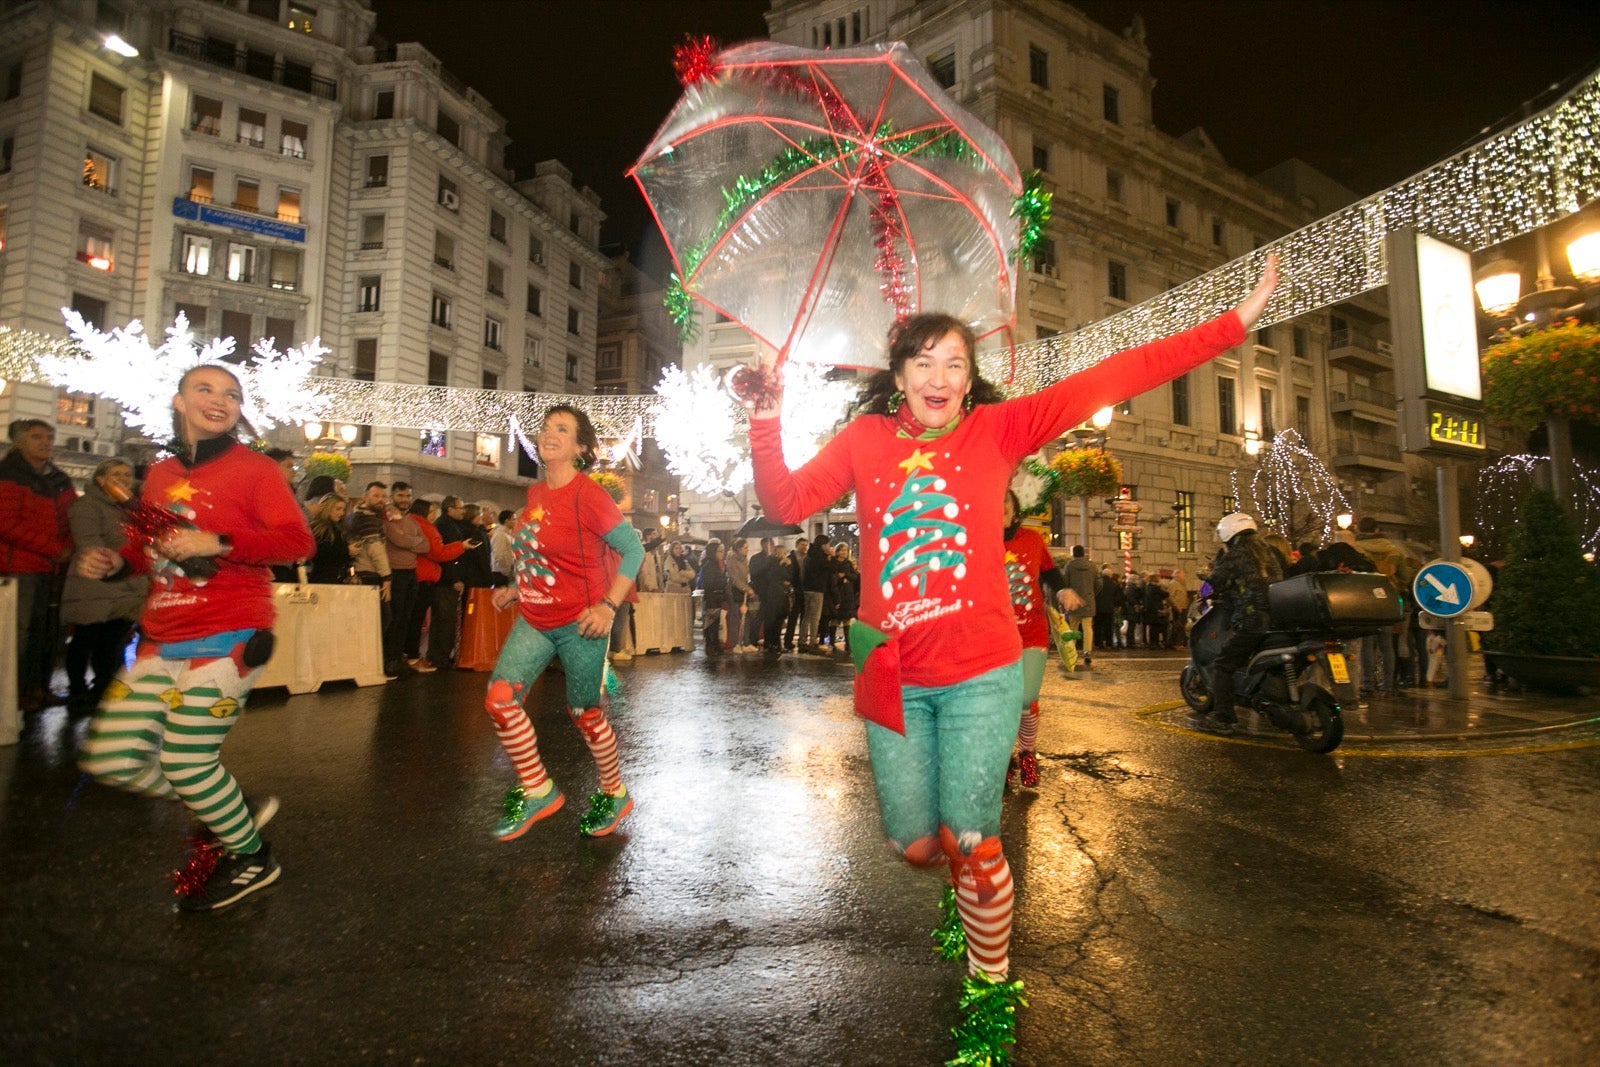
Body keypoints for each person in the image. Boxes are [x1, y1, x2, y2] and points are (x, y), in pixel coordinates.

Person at [745, 257, 1277, 1043]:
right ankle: (964, 887)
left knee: (971, 832)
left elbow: (1116, 372)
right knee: (913, 841)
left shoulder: (1000, 430)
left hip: (983, 670)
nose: (938, 375)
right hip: (891, 670)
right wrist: (767, 415)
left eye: (954, 364)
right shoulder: (863, 440)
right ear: (899, 374)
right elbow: (784, 501)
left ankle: (989, 993)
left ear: (969, 383)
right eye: (923, 360)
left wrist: (1233, 324)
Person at [76, 364, 313, 911]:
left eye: (231, 394)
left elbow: (296, 540)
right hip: (162, 634)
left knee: (185, 760)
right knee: (110, 758)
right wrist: (117, 562)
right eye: (204, 389)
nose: (219, 400)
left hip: (230, 632)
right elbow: (154, 547)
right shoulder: (159, 473)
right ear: (179, 401)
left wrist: (219, 540)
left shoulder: (255, 469)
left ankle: (253, 857)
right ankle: (228, 807)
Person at [485, 405, 643, 840]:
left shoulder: (589, 495)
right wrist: (518, 588)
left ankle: (614, 792)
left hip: (582, 622)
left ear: (580, 447)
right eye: (546, 427)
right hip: (535, 618)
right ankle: (538, 789)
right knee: (500, 699)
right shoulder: (536, 496)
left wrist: (608, 607)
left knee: (585, 714)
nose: (548, 434)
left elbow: (633, 551)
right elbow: (540, 555)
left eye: (562, 429)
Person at [0, 418, 77, 711]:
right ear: (20, 442)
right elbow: (6, 523)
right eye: (37, 437)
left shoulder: (58, 478)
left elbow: (71, 516)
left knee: (47, 631)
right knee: (19, 633)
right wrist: (55, 549)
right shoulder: (8, 475)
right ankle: (13, 695)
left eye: (49, 437)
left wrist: (68, 548)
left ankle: (38, 688)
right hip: (19, 567)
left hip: (52, 567)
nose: (45, 442)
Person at [61, 458, 146, 712]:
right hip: (95, 582)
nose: (123, 479)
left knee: (112, 640)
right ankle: (78, 690)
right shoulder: (86, 505)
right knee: (86, 638)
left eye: (127, 474)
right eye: (116, 474)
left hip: (126, 583)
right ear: (100, 479)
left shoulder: (132, 508)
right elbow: (88, 541)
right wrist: (119, 561)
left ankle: (104, 688)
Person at [1001, 491, 1073, 789]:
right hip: (992, 637)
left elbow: (1051, 573)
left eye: (1004, 501)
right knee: (998, 704)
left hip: (1031, 631)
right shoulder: (975, 541)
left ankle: (1027, 753)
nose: (997, 505)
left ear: (1014, 510)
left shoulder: (1032, 539)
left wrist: (1063, 590)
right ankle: (1003, 760)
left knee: (1025, 699)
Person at [1192, 512, 1285, 736]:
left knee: (1223, 665)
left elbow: (1217, 579)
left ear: (1228, 533)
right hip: (1278, 617)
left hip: (1253, 619)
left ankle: (1224, 718)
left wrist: (1205, 578)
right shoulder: (1266, 552)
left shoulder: (1237, 554)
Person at [380, 482, 430, 676]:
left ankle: (398, 657)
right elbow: (398, 540)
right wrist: (413, 542)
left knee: (405, 619)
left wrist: (410, 542)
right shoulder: (387, 518)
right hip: (395, 573)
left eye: (408, 496)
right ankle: (389, 660)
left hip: (411, 573)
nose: (405, 499)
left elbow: (425, 546)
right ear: (392, 496)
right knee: (394, 617)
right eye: (400, 495)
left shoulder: (412, 521)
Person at [306, 493, 354, 583]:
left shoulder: (338, 529)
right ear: (328, 508)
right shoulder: (320, 529)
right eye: (338, 509)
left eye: (343, 510)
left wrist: (352, 574)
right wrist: (347, 551)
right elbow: (320, 555)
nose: (342, 513)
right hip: (322, 580)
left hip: (336, 579)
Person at [753, 538, 790, 653]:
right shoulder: (760, 559)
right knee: (766, 619)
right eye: (770, 544)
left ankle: (776, 643)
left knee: (778, 619)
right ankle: (765, 642)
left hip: (780, 594)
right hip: (767, 593)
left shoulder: (780, 561)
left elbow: (788, 576)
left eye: (773, 544)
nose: (772, 546)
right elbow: (758, 574)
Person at [1063, 545, 1098, 663]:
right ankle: (1087, 651)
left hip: (1074, 601)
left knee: (1073, 626)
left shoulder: (1069, 566)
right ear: (1084, 553)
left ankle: (1071, 651)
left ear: (1073, 553)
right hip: (1088, 600)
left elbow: (1065, 583)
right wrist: (1091, 593)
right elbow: (1098, 583)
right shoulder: (1092, 566)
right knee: (1088, 627)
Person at [699, 538, 729, 655]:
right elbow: (709, 583)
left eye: (722, 551)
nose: (722, 554)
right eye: (720, 551)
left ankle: (716, 644)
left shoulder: (719, 564)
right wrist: (722, 582)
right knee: (711, 622)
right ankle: (710, 645)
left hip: (718, 595)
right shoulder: (709, 565)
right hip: (712, 596)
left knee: (716, 622)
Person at [782, 537, 808, 651]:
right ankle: (788, 641)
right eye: (802, 544)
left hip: (805, 589)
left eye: (806, 545)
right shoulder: (790, 558)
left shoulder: (807, 558)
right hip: (794, 589)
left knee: (804, 616)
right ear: (797, 545)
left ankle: (802, 640)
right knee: (793, 617)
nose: (804, 547)